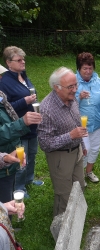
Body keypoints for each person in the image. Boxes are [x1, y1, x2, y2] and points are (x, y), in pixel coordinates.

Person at [37, 67, 88, 217]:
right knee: (64, 196)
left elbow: (76, 123)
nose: (75, 89)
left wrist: (82, 144)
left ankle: (75, 220)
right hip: (60, 157)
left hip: (76, 151)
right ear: (56, 87)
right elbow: (45, 143)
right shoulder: (47, 109)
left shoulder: (71, 98)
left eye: (75, 85)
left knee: (80, 187)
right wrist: (70, 136)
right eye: (70, 86)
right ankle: (60, 231)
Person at [0, 46, 44, 199]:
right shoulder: (4, 82)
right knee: (21, 158)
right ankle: (19, 187)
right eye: (19, 60)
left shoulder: (24, 76)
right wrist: (24, 101)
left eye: (23, 59)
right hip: (18, 126)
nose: (23, 62)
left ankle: (29, 179)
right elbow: (6, 107)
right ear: (8, 63)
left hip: (32, 125)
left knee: (32, 153)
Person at [0, 90, 41, 204]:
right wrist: (21, 123)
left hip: (7, 163)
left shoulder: (1, 96)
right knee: (5, 209)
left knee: (8, 204)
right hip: (2, 171)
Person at [75, 52, 100, 183]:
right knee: (84, 150)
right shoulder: (73, 82)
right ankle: (79, 174)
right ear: (79, 69)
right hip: (81, 124)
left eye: (90, 68)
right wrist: (79, 97)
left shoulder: (98, 81)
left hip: (97, 122)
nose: (88, 71)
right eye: (85, 68)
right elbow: (66, 103)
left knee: (95, 148)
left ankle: (89, 172)